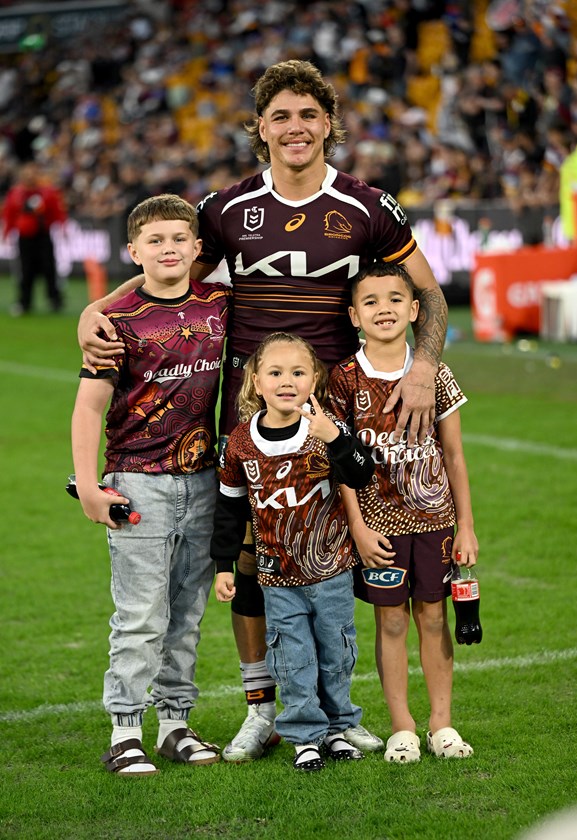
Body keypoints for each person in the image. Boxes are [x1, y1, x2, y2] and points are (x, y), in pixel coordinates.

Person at [76, 59, 448, 761]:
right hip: (246, 416)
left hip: (336, 416)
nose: (295, 127)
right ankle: (262, 709)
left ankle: (337, 712)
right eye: (280, 115)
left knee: (333, 561)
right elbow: (169, 269)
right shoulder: (224, 209)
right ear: (259, 128)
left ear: (329, 124)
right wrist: (98, 309)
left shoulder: (369, 206)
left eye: (308, 114)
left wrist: (424, 366)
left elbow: (428, 294)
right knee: (253, 558)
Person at [71, 194, 231, 775]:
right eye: (154, 241)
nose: (168, 249)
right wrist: (89, 486)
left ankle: (175, 726)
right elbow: (88, 409)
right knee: (141, 614)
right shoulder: (115, 323)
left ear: (197, 248)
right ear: (133, 251)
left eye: (178, 239)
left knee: (186, 613)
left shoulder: (220, 302)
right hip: (137, 483)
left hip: (203, 482)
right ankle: (124, 732)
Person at [328, 261, 478, 763]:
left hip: (434, 522)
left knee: (433, 617)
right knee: (391, 623)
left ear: (415, 309)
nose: (384, 309)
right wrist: (358, 527)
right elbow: (340, 463)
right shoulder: (343, 380)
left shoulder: (435, 373)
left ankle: (442, 724)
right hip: (380, 528)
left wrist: (467, 527)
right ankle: (402, 727)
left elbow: (454, 455)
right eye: (370, 302)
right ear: (354, 315)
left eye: (395, 299)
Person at [212, 332, 374, 771]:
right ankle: (304, 735)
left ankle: (340, 726)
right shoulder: (241, 442)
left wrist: (336, 438)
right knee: (292, 655)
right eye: (276, 372)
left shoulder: (326, 429)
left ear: (315, 380)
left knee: (336, 652)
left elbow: (362, 476)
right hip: (277, 577)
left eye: (298, 372)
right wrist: (224, 565)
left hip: (332, 570)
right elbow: (229, 507)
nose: (287, 381)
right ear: (256, 382)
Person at [1, 160, 67, 315]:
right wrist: (6, 232)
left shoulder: (47, 192)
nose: (30, 176)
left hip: (43, 235)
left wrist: (62, 225)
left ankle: (54, 300)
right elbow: (9, 214)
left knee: (49, 268)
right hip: (24, 238)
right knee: (25, 271)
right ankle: (24, 302)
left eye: (33, 173)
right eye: (27, 173)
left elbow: (56, 210)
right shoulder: (16, 193)